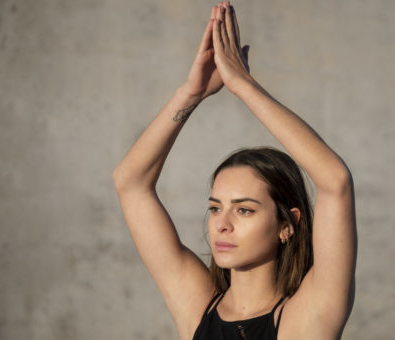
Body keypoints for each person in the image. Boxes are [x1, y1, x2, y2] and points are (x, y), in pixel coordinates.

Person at [113, 2, 357, 339]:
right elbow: (130, 182)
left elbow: (335, 181)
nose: (222, 224)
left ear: (287, 225)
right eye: (215, 208)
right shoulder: (196, 304)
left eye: (244, 209)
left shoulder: (307, 316)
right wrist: (191, 93)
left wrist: (243, 85)